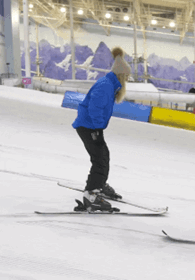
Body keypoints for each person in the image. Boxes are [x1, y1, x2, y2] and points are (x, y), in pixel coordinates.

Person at [72, 46, 131, 212]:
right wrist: (97, 129)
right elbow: (94, 108)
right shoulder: (106, 86)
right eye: (126, 76)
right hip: (89, 127)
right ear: (121, 75)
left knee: (103, 156)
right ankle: (91, 194)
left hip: (91, 127)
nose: (127, 79)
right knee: (100, 159)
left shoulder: (111, 85)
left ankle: (99, 184)